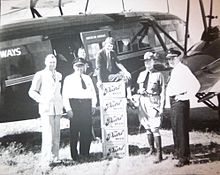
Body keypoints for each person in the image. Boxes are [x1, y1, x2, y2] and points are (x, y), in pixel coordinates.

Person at [166, 49, 201, 167]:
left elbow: (196, 85)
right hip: (174, 103)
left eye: (172, 58)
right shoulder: (175, 70)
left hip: (180, 103)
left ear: (178, 58)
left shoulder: (183, 69)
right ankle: (178, 153)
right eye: (168, 59)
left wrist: (184, 96)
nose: (170, 60)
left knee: (181, 130)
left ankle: (184, 158)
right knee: (176, 128)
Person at [28, 54, 63, 167]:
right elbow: (32, 92)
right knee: (48, 135)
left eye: (54, 62)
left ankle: (55, 157)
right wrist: (42, 100)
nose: (52, 64)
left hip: (57, 109)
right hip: (46, 109)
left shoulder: (59, 75)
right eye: (50, 62)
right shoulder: (40, 75)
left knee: (56, 135)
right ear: (45, 62)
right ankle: (46, 161)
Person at [62, 58, 97, 161]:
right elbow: (65, 95)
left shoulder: (87, 78)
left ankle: (85, 152)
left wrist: (93, 105)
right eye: (77, 66)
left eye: (81, 66)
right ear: (73, 67)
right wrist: (68, 109)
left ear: (84, 66)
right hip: (75, 105)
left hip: (86, 105)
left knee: (86, 129)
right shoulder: (68, 79)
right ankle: (74, 154)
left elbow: (93, 92)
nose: (79, 68)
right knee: (75, 131)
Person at [137, 52, 165, 163]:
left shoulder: (159, 75)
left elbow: (163, 92)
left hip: (153, 102)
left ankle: (159, 154)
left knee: (155, 128)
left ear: (153, 61)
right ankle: (151, 149)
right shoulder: (141, 74)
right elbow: (138, 88)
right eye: (145, 61)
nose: (147, 63)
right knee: (147, 127)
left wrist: (162, 107)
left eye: (149, 61)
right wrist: (140, 91)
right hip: (143, 102)